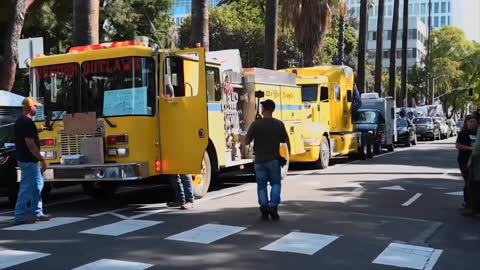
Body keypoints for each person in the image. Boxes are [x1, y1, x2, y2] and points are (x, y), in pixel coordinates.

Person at [245, 99, 290, 221]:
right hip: (273, 160)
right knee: (275, 183)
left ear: (263, 109)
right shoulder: (279, 124)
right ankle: (273, 206)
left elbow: (246, 141)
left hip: (259, 160)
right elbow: (283, 140)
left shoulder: (256, 124)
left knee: (261, 186)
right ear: (272, 110)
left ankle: (264, 208)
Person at [14, 97, 50, 225]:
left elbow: (25, 135)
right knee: (27, 188)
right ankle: (19, 216)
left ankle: (37, 212)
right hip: (29, 160)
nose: (36, 108)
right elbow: (30, 144)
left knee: (37, 185)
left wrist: (39, 130)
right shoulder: (27, 123)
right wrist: (41, 159)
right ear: (31, 107)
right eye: (35, 106)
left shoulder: (20, 121)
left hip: (24, 159)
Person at [455, 114, 478, 212]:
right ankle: (468, 202)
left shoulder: (478, 132)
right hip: (464, 160)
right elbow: (458, 145)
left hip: (476, 161)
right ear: (466, 123)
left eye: (474, 121)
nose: (472, 123)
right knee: (468, 181)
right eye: (470, 121)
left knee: (474, 182)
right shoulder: (463, 133)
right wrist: (471, 148)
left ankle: (474, 202)